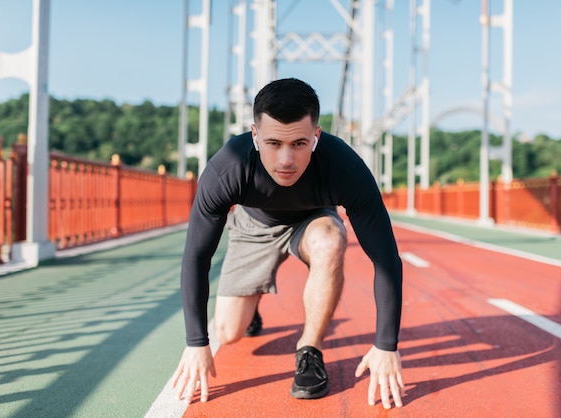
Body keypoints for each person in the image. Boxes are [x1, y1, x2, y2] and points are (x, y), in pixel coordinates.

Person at [170, 78, 404, 409]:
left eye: (298, 144)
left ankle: (310, 351)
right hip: (254, 226)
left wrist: (386, 345)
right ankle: (252, 307)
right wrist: (196, 342)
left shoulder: (344, 168)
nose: (285, 160)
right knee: (228, 332)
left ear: (316, 137)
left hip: (312, 220)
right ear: (254, 135)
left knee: (330, 239)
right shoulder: (228, 168)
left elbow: (386, 259)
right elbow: (196, 257)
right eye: (273, 143)